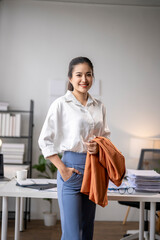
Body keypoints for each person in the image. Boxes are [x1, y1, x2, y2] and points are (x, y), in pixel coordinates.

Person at [38, 56, 110, 240]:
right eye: (79, 75)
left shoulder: (99, 106)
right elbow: (44, 140)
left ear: (93, 77)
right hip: (70, 169)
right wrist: (62, 169)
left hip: (93, 168)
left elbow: (105, 138)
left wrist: (98, 146)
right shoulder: (61, 104)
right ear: (70, 78)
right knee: (73, 234)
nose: (84, 79)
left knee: (86, 231)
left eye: (88, 75)